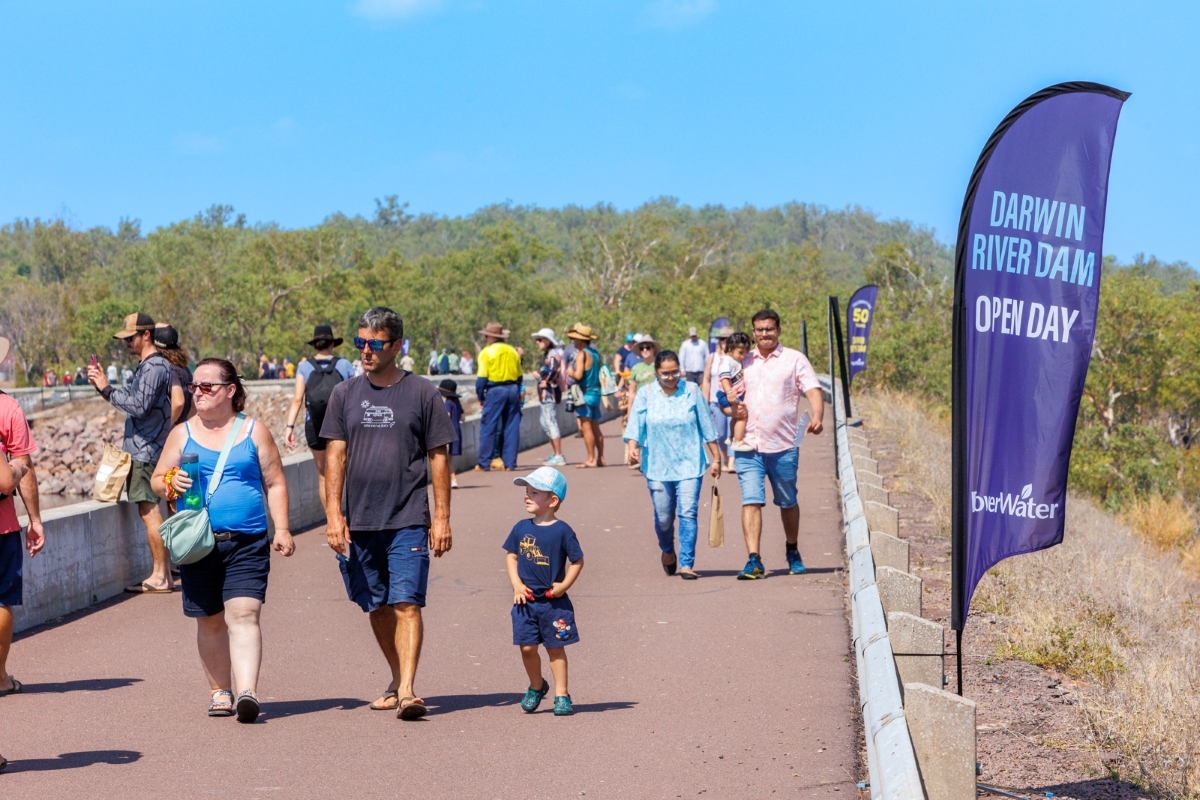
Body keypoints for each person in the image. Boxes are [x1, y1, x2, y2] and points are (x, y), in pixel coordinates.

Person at [322, 307, 457, 720]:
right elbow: (335, 455)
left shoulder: (423, 393)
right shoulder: (344, 394)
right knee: (376, 606)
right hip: (359, 520)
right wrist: (333, 514)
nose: (365, 350)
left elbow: (439, 456)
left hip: (408, 518)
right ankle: (398, 681)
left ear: (396, 346)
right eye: (361, 342)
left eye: (375, 344)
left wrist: (441, 518)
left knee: (407, 603)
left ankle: (410, 691)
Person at [151, 359, 295, 722]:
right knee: (210, 620)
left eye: (207, 386)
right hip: (198, 542)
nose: (197, 392)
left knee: (244, 614)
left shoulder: (253, 431)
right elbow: (155, 479)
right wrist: (171, 482)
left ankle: (247, 691)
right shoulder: (181, 434)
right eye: (194, 386)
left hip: (247, 541)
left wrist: (282, 529)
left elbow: (275, 482)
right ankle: (220, 691)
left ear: (230, 390)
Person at [87, 312, 175, 594]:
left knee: (148, 511)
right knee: (151, 509)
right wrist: (106, 389)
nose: (126, 343)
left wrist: (105, 387)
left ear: (146, 335)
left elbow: (138, 406)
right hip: (149, 448)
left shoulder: (153, 367)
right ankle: (164, 575)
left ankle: (161, 576)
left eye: (130, 337)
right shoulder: (153, 366)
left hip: (145, 451)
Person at [734, 309, 824, 580]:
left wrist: (817, 416)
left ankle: (792, 549)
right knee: (751, 500)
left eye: (769, 329)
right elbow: (726, 395)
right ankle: (754, 560)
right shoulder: (742, 361)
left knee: (787, 501)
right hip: (748, 445)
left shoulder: (794, 359)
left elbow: (813, 390)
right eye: (759, 330)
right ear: (753, 332)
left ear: (779, 330)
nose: (764, 334)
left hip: (784, 444)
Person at [624, 350, 720, 580]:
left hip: (689, 463)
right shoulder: (647, 393)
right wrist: (632, 447)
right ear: (656, 373)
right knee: (664, 516)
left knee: (688, 512)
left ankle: (687, 563)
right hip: (657, 464)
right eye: (665, 373)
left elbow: (706, 423)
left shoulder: (691, 390)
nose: (670, 377)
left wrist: (716, 457)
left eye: (674, 372)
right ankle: (667, 550)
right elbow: (636, 423)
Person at [503, 467, 583, 716]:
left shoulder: (563, 531)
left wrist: (565, 585)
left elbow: (577, 560)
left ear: (553, 500)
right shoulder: (520, 527)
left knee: (555, 649)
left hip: (553, 603)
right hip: (525, 602)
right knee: (527, 648)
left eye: (534, 492)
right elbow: (511, 556)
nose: (527, 496)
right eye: (527, 492)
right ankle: (537, 686)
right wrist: (515, 584)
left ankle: (562, 694)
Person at [0, 334, 44, 709]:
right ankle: (0, 676)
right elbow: (22, 469)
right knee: (1, 600)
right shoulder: (7, 408)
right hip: (1, 525)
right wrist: (35, 519)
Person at [284, 325, 355, 512]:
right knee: (343, 473)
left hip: (315, 425)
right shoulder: (345, 365)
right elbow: (356, 397)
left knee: (324, 475)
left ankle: (332, 518)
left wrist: (289, 427)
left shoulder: (305, 367)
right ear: (332, 343)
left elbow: (298, 398)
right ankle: (349, 517)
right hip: (341, 426)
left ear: (315, 345)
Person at [474, 322, 523, 472]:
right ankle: (510, 463)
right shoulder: (513, 351)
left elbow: (482, 378)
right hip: (513, 388)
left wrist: (480, 396)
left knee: (489, 426)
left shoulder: (487, 352)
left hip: (495, 390)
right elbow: (520, 376)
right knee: (511, 426)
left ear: (490, 337)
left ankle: (484, 462)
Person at [566, 325, 605, 468]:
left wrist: (570, 371)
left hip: (585, 393)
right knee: (596, 426)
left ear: (580, 341)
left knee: (585, 426)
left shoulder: (582, 354)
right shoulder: (595, 354)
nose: (573, 342)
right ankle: (601, 458)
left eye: (575, 339)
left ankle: (591, 459)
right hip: (595, 392)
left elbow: (578, 375)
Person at [700, 326, 735, 472]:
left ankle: (732, 462)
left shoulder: (737, 357)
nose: (724, 342)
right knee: (720, 434)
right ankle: (726, 457)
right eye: (722, 339)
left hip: (733, 401)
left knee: (731, 432)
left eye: (727, 339)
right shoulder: (712, 357)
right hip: (716, 401)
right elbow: (706, 380)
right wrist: (704, 402)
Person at [531, 328, 566, 467]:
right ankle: (556, 454)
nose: (538, 343)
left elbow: (553, 370)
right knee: (545, 423)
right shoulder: (549, 354)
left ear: (547, 341)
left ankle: (558, 455)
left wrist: (544, 380)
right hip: (545, 396)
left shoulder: (552, 355)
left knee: (550, 423)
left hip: (549, 395)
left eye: (540, 340)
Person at [716, 331, 754, 452]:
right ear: (731, 348)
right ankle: (738, 441)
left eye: (745, 353)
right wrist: (729, 392)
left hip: (732, 394)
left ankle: (732, 437)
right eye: (740, 352)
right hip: (727, 394)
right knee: (742, 415)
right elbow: (724, 378)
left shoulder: (735, 361)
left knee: (736, 417)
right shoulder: (726, 361)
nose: (743, 356)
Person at [154, 324, 194, 428]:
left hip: (172, 433)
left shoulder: (171, 369)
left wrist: (162, 429)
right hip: (182, 431)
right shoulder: (183, 368)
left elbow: (178, 402)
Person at [439, 380, 463, 489]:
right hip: (457, 432)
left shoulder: (447, 403)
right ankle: (452, 479)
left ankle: (452, 480)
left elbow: (446, 416)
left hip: (449, 433)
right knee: (450, 459)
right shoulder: (457, 403)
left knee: (446, 459)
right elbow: (463, 417)